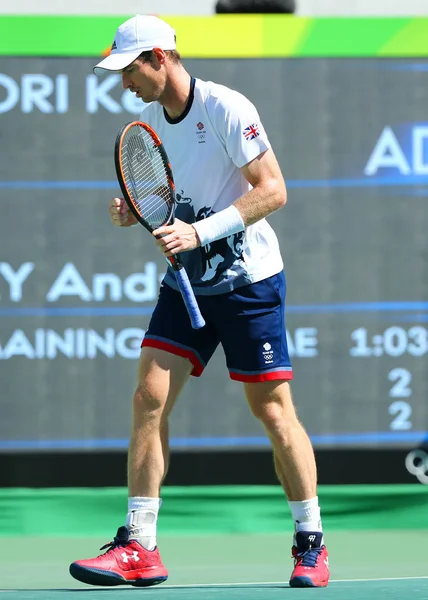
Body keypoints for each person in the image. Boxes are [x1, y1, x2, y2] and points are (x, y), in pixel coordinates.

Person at [69, 14, 330, 589]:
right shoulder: (147, 121)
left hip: (249, 282)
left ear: (160, 58)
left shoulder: (227, 109)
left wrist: (200, 232)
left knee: (272, 412)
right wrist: (132, 211)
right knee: (149, 395)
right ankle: (140, 545)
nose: (124, 84)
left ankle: (310, 542)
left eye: (129, 70)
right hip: (187, 281)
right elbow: (167, 197)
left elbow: (274, 190)